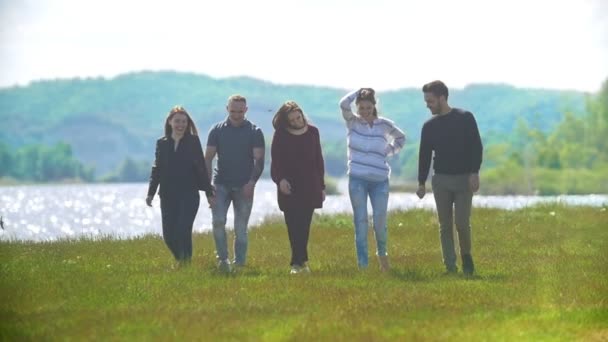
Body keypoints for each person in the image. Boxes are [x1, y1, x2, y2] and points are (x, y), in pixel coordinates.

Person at [416, 80, 483, 276]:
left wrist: (474, 172)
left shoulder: (465, 118)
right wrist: (421, 182)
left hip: (464, 179)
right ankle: (450, 267)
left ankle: (467, 259)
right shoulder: (428, 127)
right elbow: (424, 156)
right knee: (445, 225)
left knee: (462, 223)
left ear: (442, 98)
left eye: (430, 101)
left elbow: (476, 147)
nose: (427, 104)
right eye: (426, 101)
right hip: (441, 180)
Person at [339, 88, 406, 271]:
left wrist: (388, 151)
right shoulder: (352, 122)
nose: (365, 111)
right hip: (357, 179)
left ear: (374, 106)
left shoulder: (384, 125)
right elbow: (343, 104)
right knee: (360, 222)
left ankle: (383, 257)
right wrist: (357, 91)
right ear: (357, 107)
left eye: (368, 107)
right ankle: (363, 265)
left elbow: (401, 138)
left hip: (380, 181)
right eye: (361, 107)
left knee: (380, 220)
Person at [146, 105, 213, 265]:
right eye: (177, 121)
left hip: (188, 195)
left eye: (184, 121)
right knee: (169, 236)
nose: (181, 125)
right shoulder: (161, 143)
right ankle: (181, 261)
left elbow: (201, 168)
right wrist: (151, 193)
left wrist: (209, 193)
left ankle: (186, 264)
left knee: (183, 230)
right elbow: (157, 169)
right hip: (168, 195)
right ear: (170, 122)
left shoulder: (193, 141)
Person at [205, 94, 265, 272]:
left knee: (240, 228)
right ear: (227, 109)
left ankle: (239, 263)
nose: (236, 115)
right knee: (218, 221)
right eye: (233, 111)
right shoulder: (216, 130)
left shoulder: (255, 131)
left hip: (244, 185)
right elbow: (208, 159)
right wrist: (208, 188)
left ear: (246, 110)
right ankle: (223, 260)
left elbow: (259, 161)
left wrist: (252, 183)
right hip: (220, 183)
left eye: (240, 111)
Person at [270, 101, 326, 274]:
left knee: (304, 225)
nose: (296, 122)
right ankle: (298, 263)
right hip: (289, 186)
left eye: (298, 117)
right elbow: (276, 162)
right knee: (293, 224)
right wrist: (280, 181)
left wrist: (322, 186)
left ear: (302, 115)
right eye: (292, 120)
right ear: (286, 121)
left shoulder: (313, 132)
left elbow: (319, 160)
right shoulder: (281, 135)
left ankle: (300, 262)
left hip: (310, 185)